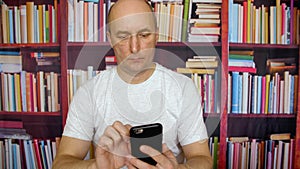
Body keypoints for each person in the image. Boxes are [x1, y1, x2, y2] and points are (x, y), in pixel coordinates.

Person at [53, 0, 213, 168]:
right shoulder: (89, 93)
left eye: (144, 35)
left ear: (156, 35)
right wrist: (96, 167)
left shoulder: (183, 88)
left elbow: (202, 158)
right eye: (123, 37)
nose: (135, 48)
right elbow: (61, 163)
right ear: (110, 39)